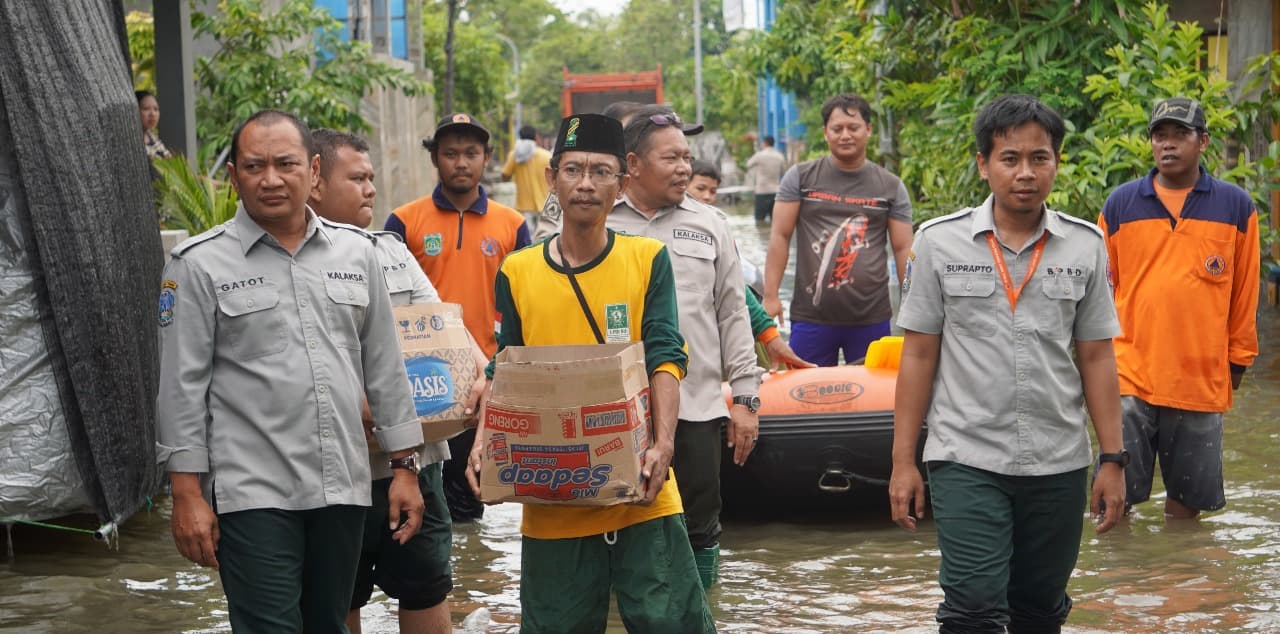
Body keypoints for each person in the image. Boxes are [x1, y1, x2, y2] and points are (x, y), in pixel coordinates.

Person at [155, 110, 426, 632]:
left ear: (315, 171)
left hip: (343, 487)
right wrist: (187, 494)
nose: (271, 179)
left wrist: (405, 469)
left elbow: (386, 370)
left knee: (329, 624)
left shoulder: (357, 254)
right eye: (254, 166)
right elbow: (180, 389)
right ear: (233, 176)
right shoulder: (198, 265)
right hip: (253, 493)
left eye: (286, 163)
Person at [466, 113, 714, 632]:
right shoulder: (518, 270)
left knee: (674, 624)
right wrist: (484, 441)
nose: (585, 184)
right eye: (574, 170)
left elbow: (666, 355)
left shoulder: (649, 259)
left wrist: (663, 445)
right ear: (552, 175)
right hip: (552, 499)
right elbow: (506, 363)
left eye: (601, 172)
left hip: (642, 491)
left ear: (621, 183)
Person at [889, 94, 1126, 632]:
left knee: (1041, 609)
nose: (1026, 173)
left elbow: (1096, 356)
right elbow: (918, 355)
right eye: (1010, 159)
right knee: (972, 605)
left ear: (1056, 163)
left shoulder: (1085, 246)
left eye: (1039, 158)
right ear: (983, 164)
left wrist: (1113, 458)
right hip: (965, 453)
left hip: (1058, 457)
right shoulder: (938, 241)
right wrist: (904, 461)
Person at [537, 104, 763, 589]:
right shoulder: (587, 218)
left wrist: (745, 398)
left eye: (688, 157)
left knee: (701, 525)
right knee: (610, 524)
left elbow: (733, 313)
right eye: (673, 158)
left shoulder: (711, 223)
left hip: (697, 404)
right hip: (607, 409)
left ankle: (703, 608)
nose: (686, 167)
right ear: (633, 165)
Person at [309, 129, 487, 634]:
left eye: (372, 178)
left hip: (417, 462)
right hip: (335, 471)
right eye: (357, 178)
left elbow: (445, 330)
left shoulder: (391, 251)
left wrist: (479, 374)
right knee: (339, 598)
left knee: (428, 586)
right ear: (316, 181)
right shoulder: (288, 266)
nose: (370, 189)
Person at [1100, 97, 1260, 520]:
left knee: (1186, 516)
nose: (1167, 145)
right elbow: (1101, 292)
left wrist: (1238, 359)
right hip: (1130, 373)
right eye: (1159, 135)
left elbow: (1245, 292)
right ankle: (1124, 580)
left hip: (1199, 378)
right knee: (1114, 505)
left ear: (1203, 141)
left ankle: (1183, 584)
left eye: (1180, 135)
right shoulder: (1119, 205)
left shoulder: (1236, 207)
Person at [386, 113, 531, 523]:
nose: (461, 162)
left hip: (484, 384)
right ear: (435, 159)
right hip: (420, 384)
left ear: (487, 158)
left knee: (470, 504)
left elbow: (525, 305)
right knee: (421, 497)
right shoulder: (403, 221)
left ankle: (469, 582)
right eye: (450, 153)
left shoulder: (513, 224)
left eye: (471, 153)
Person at [762, 93, 914, 366]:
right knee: (805, 395)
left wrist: (913, 303)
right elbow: (780, 236)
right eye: (837, 128)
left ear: (868, 130)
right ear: (825, 133)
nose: (845, 135)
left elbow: (903, 248)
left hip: (872, 316)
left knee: (874, 400)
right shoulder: (801, 177)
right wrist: (771, 296)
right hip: (811, 316)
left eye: (853, 128)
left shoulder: (890, 186)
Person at [687, 159, 813, 371]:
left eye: (713, 191)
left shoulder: (718, 225)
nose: (707, 196)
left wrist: (767, 324)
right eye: (700, 189)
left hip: (742, 316)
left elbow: (734, 283)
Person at [501, 124, 552, 223]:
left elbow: (505, 177)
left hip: (523, 208)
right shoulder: (547, 156)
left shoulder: (514, 156)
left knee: (527, 238)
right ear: (536, 137)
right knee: (545, 237)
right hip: (545, 205)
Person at [744, 135, 786, 224]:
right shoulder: (780, 156)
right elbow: (784, 174)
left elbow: (748, 165)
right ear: (774, 144)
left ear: (764, 143)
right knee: (774, 221)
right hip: (775, 192)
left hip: (761, 192)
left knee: (759, 221)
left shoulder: (759, 155)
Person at [137, 90, 171, 159]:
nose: (153, 114)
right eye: (146, 109)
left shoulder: (153, 138)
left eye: (156, 109)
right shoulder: (130, 142)